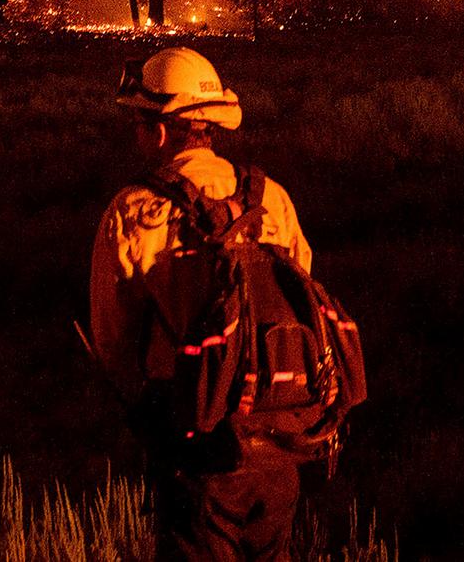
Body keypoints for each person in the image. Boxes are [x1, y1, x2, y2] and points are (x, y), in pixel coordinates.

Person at [89, 46, 315, 562]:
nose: (136, 134)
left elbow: (112, 339)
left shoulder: (134, 210)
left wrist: (150, 412)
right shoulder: (270, 197)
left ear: (163, 129)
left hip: (195, 441)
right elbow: (300, 294)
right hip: (280, 440)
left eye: (140, 122)